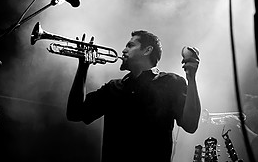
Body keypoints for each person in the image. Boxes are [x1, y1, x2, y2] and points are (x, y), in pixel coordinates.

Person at [66, 30, 201, 162]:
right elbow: (74, 113)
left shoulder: (171, 82)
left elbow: (190, 125)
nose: (124, 50)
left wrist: (191, 79)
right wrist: (83, 67)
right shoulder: (113, 87)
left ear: (147, 50)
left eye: (130, 45)